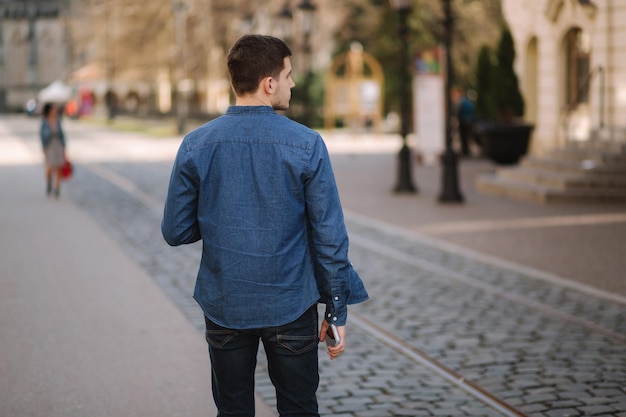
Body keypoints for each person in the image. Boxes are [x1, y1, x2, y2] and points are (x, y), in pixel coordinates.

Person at [161, 34, 369, 417]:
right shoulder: (306, 144)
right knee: (299, 408)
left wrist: (220, 220)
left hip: (225, 303)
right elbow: (329, 239)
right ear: (268, 84)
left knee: (233, 409)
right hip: (291, 304)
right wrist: (336, 309)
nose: (291, 83)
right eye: (288, 75)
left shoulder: (195, 144)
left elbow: (175, 231)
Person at [40, 103, 66, 198]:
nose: (55, 110)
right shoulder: (44, 122)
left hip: (58, 145)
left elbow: (62, 134)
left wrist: (64, 147)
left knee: (59, 167)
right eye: (53, 109)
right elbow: (42, 136)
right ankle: (49, 182)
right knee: (50, 167)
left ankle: (57, 188)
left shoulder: (58, 120)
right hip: (49, 145)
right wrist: (43, 148)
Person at [457, 89, 476, 156]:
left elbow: (459, 112)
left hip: (464, 121)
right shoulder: (469, 102)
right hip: (469, 121)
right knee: (468, 137)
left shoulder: (462, 102)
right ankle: (467, 150)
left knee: (464, 137)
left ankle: (465, 151)